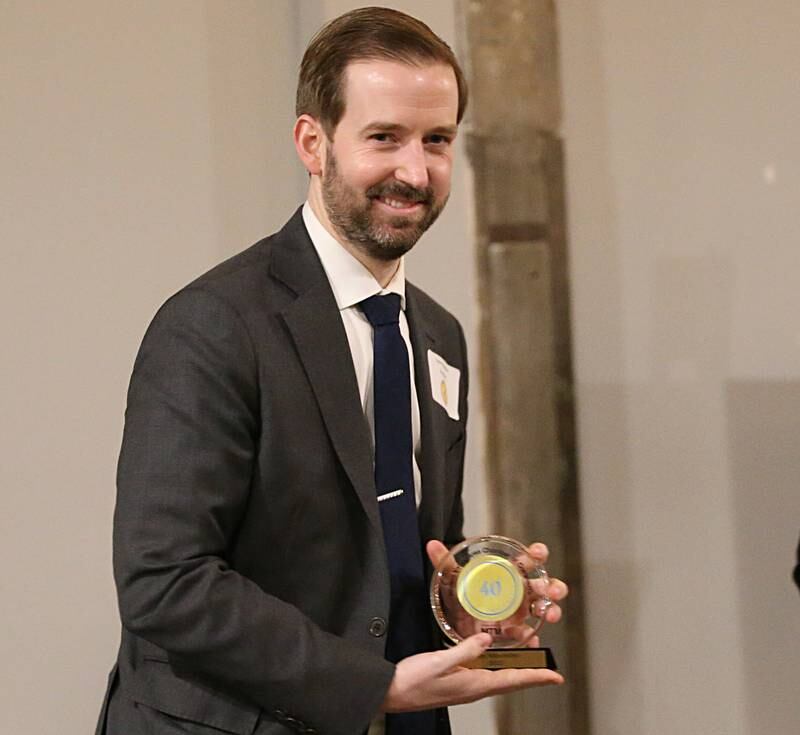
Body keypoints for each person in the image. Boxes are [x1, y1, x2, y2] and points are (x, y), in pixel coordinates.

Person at [96, 8, 568, 735]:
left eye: (437, 140)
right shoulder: (214, 324)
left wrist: (469, 606)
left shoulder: (438, 333)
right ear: (312, 143)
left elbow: (388, 551)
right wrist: (372, 686)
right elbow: (164, 580)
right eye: (385, 137)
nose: (415, 172)